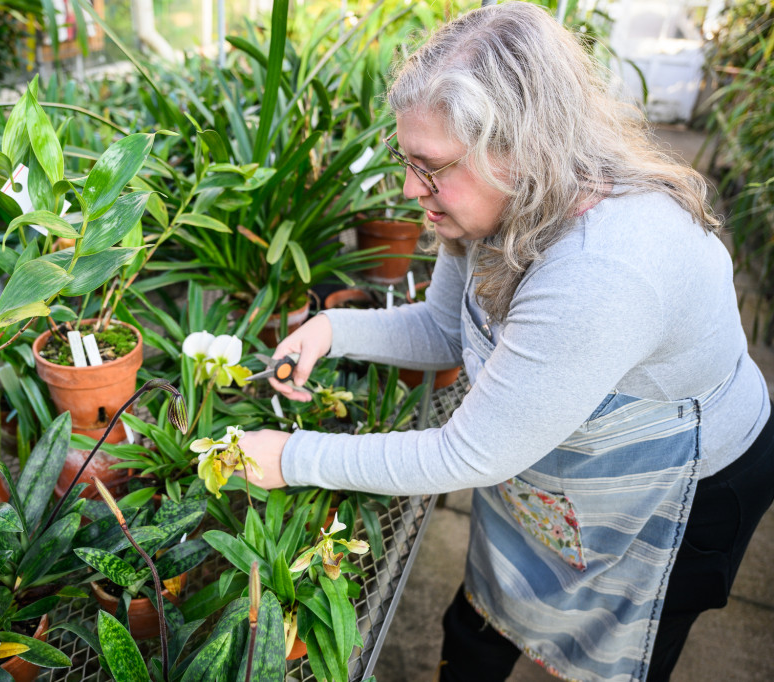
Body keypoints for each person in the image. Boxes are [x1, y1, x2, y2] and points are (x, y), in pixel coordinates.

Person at [237, 3, 774, 681]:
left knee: (610, 657)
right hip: (556, 471)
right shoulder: (495, 200)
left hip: (682, 487)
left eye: (429, 167)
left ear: (518, 146)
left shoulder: (602, 268)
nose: (411, 191)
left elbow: (468, 453)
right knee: (479, 624)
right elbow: (442, 330)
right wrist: (332, 328)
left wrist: (292, 456)